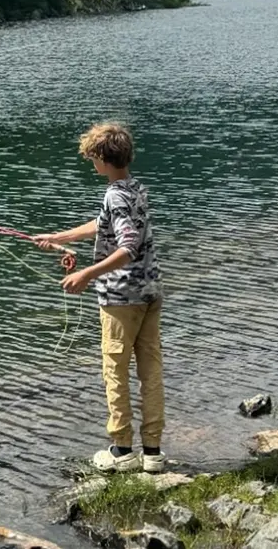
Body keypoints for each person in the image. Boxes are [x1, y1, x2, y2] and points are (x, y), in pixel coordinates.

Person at [34, 122, 165, 473]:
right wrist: (58, 237)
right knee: (150, 371)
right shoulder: (135, 188)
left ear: (103, 160)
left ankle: (122, 451)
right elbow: (102, 224)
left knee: (115, 371)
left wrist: (86, 274)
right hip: (150, 292)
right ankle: (152, 452)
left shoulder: (113, 194)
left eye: (92, 158)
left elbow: (127, 245)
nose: (91, 163)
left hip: (122, 299)